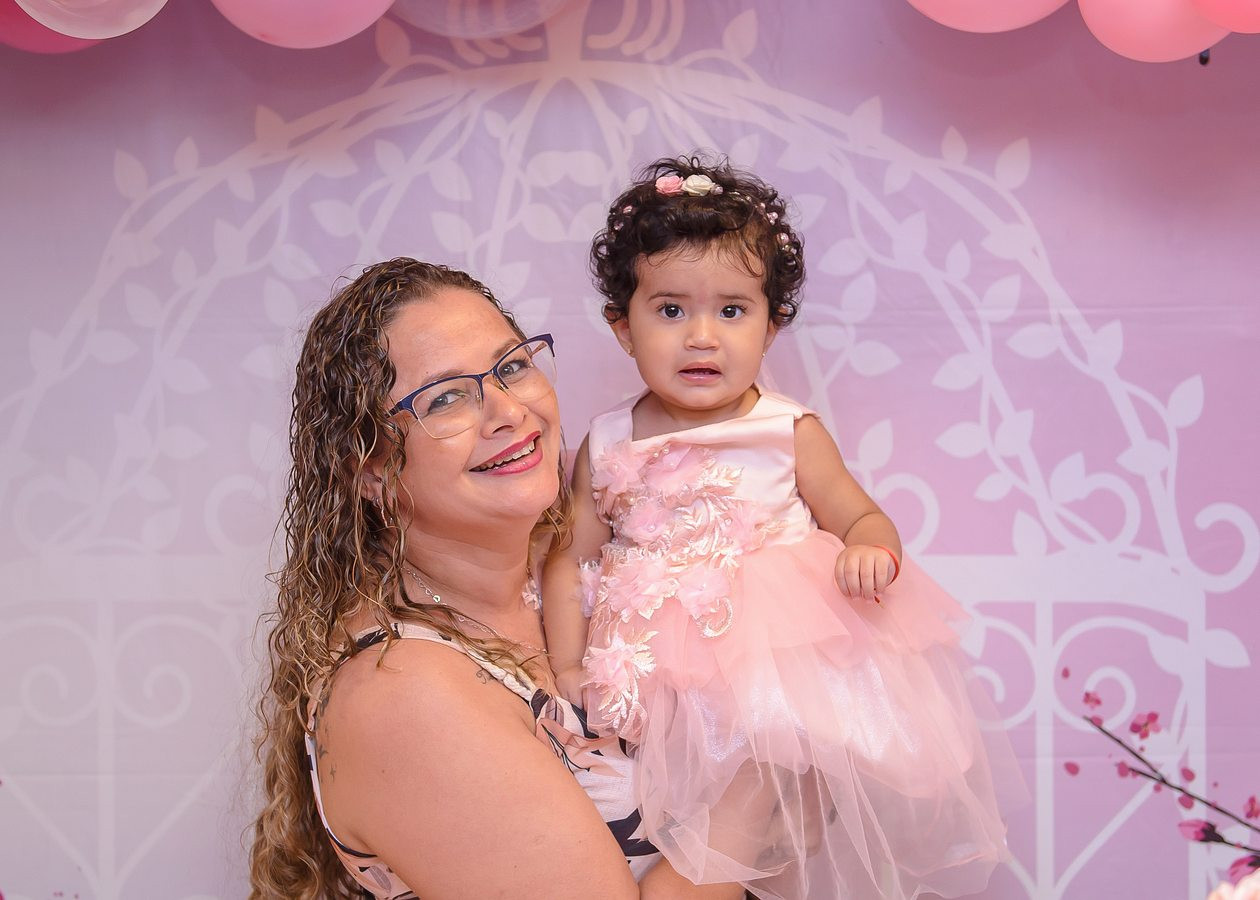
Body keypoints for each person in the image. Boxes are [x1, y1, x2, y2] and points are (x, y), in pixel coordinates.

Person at [542, 157, 1015, 899]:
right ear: (623, 328)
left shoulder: (787, 430)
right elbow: (570, 559)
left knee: (764, 797)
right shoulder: (606, 440)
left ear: (772, 326)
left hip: (765, 661)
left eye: (732, 311)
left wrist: (869, 548)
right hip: (650, 668)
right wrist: (569, 664)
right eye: (671, 311)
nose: (702, 337)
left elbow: (859, 513)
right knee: (658, 814)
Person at [247, 258, 744, 899]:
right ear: (369, 468)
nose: (508, 410)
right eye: (446, 397)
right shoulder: (403, 694)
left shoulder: (589, 555)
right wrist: (760, 804)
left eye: (511, 366)